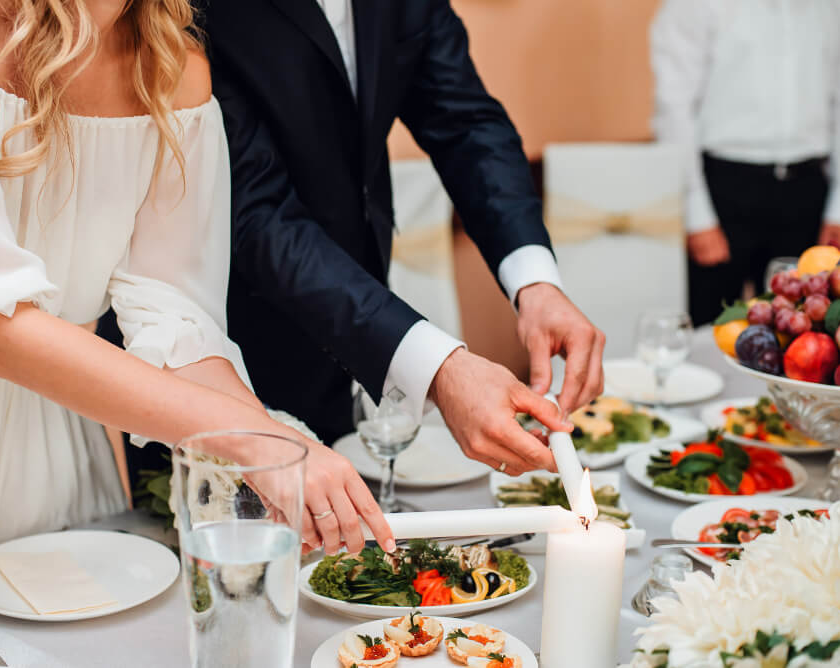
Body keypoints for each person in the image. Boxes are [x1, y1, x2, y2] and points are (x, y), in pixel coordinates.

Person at [0, 0, 395, 561]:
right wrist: (247, 436)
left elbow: (179, 329)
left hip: (57, 454)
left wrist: (277, 449)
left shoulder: (173, 66)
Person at [201, 0, 605, 478]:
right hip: (219, 354)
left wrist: (536, 283)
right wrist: (440, 370)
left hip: (348, 348)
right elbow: (255, 212)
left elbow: (466, 125)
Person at [652, 0, 840, 326]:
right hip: (722, 187)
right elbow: (674, 109)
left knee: (806, 331)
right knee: (711, 326)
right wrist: (694, 212)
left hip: (808, 187)